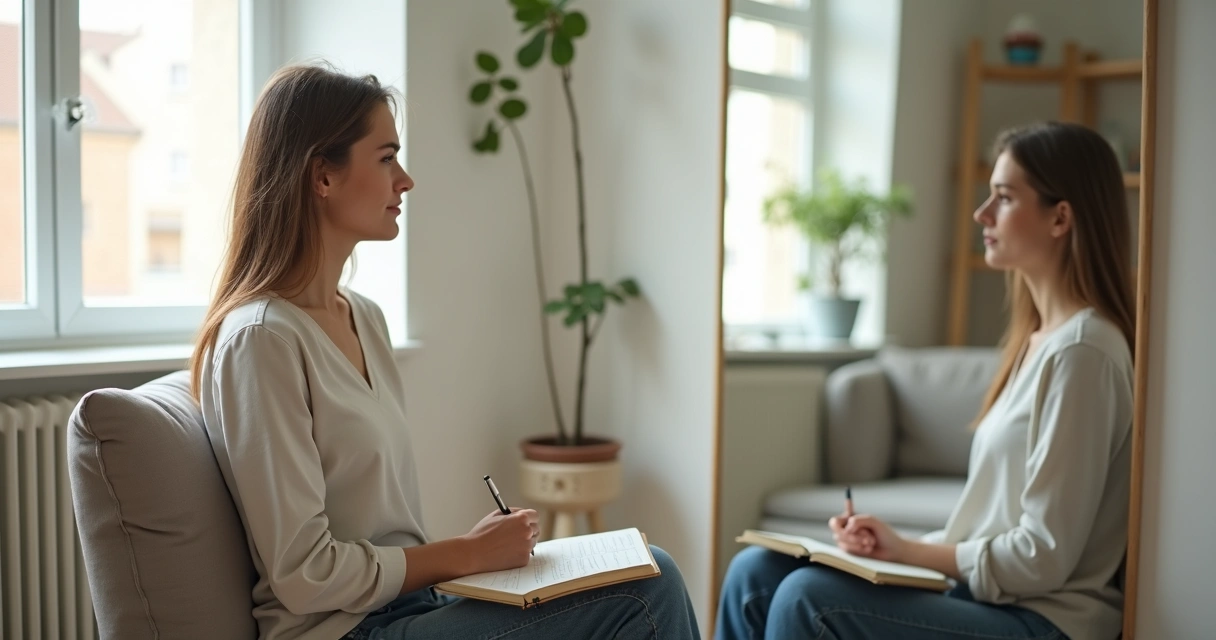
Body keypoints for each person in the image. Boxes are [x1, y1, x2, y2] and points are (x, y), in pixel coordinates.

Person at [190, 64, 700, 640]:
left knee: (646, 564)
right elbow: (304, 575)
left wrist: (475, 560)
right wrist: (465, 554)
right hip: (343, 632)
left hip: (411, 608)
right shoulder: (262, 339)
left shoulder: (363, 317)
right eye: (386, 158)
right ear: (322, 177)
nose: (404, 180)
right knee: (648, 594)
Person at [716, 121, 1135, 640]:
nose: (982, 214)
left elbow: (1042, 557)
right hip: (988, 597)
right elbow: (988, 528)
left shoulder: (1084, 353)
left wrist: (911, 551)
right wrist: (889, 550)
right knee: (753, 573)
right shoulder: (1035, 341)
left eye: (1003, 198)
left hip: (1045, 620)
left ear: (1060, 218)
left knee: (809, 600)